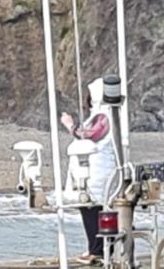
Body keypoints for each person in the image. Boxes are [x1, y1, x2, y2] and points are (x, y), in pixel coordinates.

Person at [60, 77, 117, 265]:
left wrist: (69, 125)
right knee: (95, 208)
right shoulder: (107, 114)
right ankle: (99, 247)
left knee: (91, 208)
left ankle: (97, 250)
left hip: (97, 172)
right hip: (98, 170)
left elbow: (89, 135)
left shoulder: (104, 116)